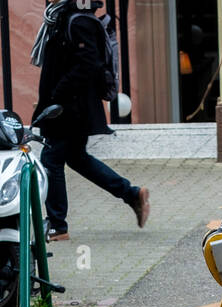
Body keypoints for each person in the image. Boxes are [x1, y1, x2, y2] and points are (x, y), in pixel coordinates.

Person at [31, 0, 149, 238]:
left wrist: (59, 94)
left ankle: (57, 226)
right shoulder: (62, 17)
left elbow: (88, 62)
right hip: (66, 106)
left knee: (51, 159)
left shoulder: (80, 20)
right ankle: (133, 194)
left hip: (70, 109)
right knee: (77, 158)